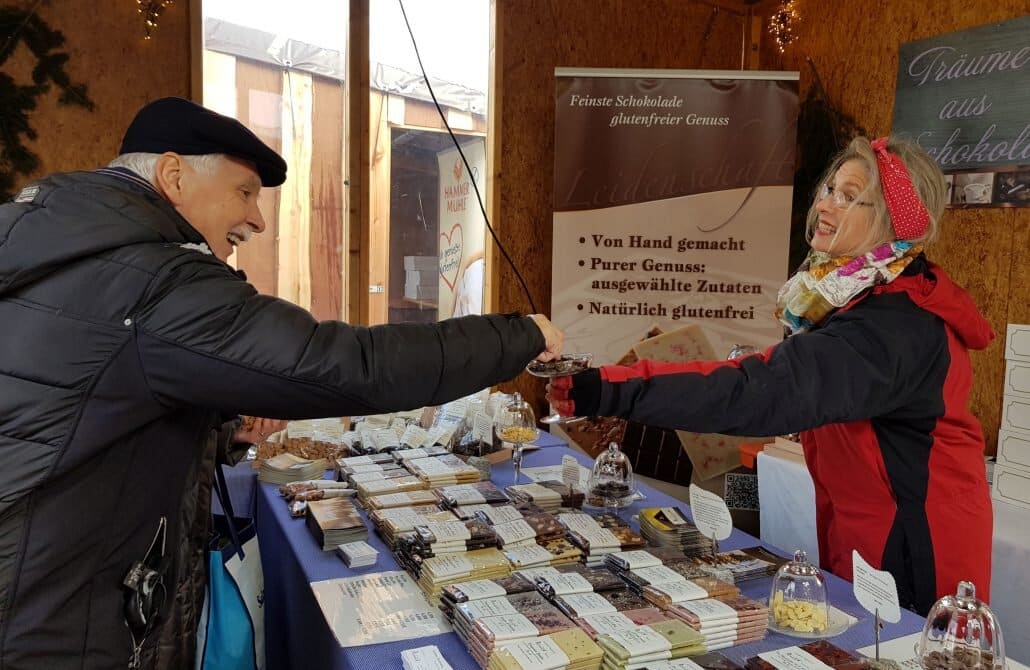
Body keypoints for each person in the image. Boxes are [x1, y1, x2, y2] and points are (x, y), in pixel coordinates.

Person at [0, 97, 562, 669]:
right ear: (173, 175)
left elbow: (74, 408)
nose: (259, 220)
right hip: (61, 626)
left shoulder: (51, 242)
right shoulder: (154, 278)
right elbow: (345, 365)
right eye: (244, 192)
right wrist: (516, 336)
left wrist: (217, 434)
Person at [548, 136, 993, 616]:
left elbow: (761, 391)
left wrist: (612, 388)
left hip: (915, 539)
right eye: (828, 189)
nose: (825, 205)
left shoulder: (895, 325)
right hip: (868, 522)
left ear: (893, 222)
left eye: (848, 197)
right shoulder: (863, 296)